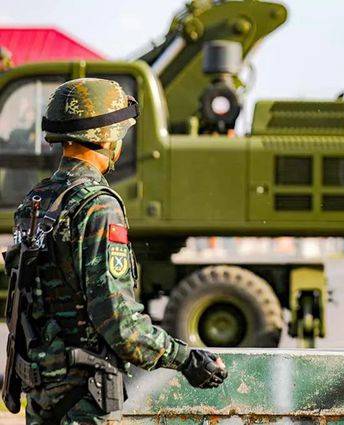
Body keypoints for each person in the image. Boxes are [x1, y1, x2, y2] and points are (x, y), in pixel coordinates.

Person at [3, 78, 228, 424]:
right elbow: (120, 323)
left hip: (42, 394)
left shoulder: (36, 201)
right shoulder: (97, 207)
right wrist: (186, 360)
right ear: (107, 139)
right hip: (83, 398)